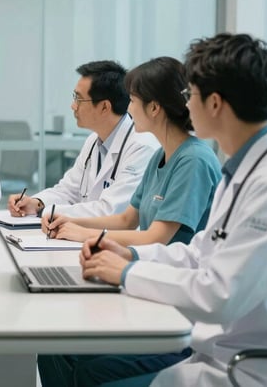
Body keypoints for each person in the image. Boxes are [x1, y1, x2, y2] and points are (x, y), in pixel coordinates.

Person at [80, 34, 267, 387]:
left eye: (189, 95)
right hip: (216, 351)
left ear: (214, 103)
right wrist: (131, 253)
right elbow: (202, 252)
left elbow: (219, 295)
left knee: (93, 374)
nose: (184, 104)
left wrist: (126, 273)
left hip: (251, 369)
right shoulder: (246, 168)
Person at [37, 57, 222, 386]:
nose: (127, 109)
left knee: (86, 369)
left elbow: (158, 236)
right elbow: (126, 218)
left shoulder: (193, 160)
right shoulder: (160, 156)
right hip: (153, 289)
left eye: (133, 101)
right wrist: (71, 225)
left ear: (154, 108)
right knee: (53, 348)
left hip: (178, 310)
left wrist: (81, 233)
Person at [8, 60, 158, 219]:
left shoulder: (142, 146)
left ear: (104, 107)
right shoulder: (94, 140)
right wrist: (36, 203)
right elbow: (69, 190)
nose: (73, 106)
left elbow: (111, 210)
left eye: (79, 99)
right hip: (85, 236)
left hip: (117, 241)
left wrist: (45, 212)